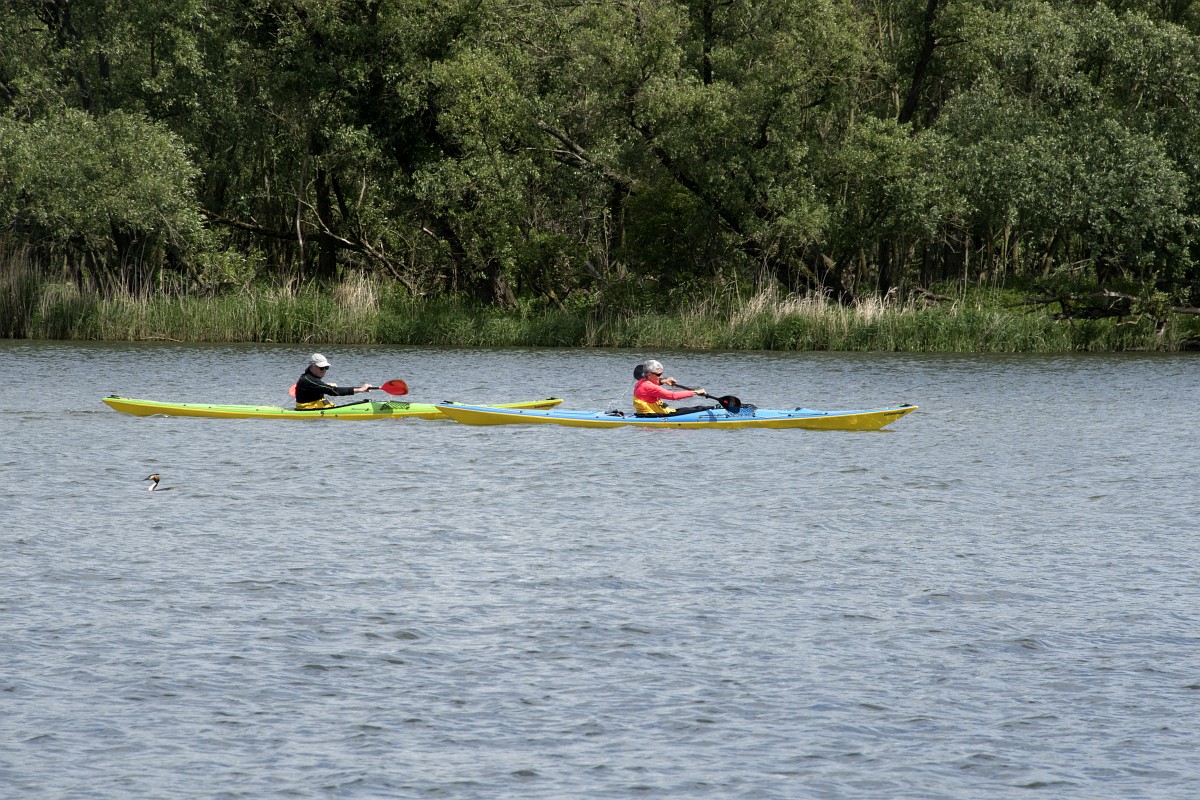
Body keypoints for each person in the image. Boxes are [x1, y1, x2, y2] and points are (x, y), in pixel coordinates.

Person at [295, 353, 374, 410]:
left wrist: (325, 385)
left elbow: (316, 386)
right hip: (307, 409)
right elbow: (334, 391)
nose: (324, 370)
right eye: (321, 368)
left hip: (316, 406)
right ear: (311, 366)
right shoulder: (309, 380)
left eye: (326, 367)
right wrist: (360, 389)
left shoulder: (310, 379)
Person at [633, 359, 708, 416]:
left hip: (647, 413)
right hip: (655, 414)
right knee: (700, 409)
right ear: (649, 374)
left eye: (661, 374)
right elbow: (673, 396)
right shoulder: (649, 387)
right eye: (658, 375)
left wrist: (664, 381)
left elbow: (651, 387)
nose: (661, 376)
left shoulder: (641, 382)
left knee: (694, 409)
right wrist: (695, 392)